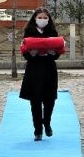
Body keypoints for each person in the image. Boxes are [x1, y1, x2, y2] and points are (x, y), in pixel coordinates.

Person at [20, 8, 60, 141]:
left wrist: (54, 53)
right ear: (35, 18)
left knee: (49, 100)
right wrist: (30, 54)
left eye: (45, 18)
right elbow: (24, 51)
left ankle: (47, 123)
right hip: (34, 69)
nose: (42, 20)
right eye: (40, 17)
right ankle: (38, 130)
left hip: (49, 68)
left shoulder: (52, 31)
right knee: (35, 101)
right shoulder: (29, 31)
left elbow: (58, 51)